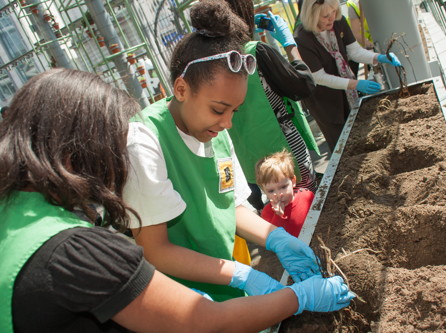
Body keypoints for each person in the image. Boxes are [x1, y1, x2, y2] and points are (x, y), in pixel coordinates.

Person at [0, 68, 355, 333]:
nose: (115, 168)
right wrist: (300, 297)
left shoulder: (15, 216)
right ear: (79, 153)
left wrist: (276, 239)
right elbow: (203, 321)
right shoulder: (75, 250)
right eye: (109, 151)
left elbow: (228, 202)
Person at [123, 0, 335, 303]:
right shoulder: (143, 141)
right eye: (218, 109)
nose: (227, 123)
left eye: (234, 110)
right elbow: (157, 250)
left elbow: (232, 205)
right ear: (181, 89)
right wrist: (241, 274)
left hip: (225, 276)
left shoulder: (215, 130)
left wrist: (277, 239)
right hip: (184, 297)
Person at [221, 0, 320, 213]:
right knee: (306, 208)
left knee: (280, 211)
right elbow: (303, 85)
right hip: (286, 149)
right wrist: (290, 45)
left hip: (252, 160)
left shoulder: (214, 61)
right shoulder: (257, 53)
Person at [294, 0, 402, 151]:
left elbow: (354, 51)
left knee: (360, 135)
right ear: (312, 15)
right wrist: (355, 84)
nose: (332, 17)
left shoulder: (338, 21)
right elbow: (319, 77)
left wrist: (379, 58)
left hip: (347, 92)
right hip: (325, 101)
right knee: (343, 146)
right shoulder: (302, 38)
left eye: (334, 11)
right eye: (326, 16)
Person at [255, 150, 315, 238]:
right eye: (271, 191)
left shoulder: (306, 196)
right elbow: (274, 239)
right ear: (264, 190)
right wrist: (278, 216)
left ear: (293, 181)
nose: (279, 194)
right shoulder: (267, 213)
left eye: (283, 187)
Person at [346, 0, 374, 77]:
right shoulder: (354, 6)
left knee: (373, 71)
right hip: (352, 43)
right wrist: (371, 45)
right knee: (351, 74)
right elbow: (356, 34)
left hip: (369, 43)